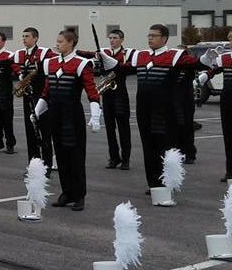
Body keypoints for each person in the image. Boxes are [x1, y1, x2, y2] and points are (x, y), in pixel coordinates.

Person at [99, 24, 216, 194]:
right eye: (149, 35)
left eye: (154, 35)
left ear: (164, 38)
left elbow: (195, 64)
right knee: (149, 148)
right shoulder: (141, 55)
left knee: (165, 148)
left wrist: (206, 58)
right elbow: (123, 69)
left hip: (165, 112)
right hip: (143, 110)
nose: (150, 38)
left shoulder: (175, 56)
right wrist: (108, 61)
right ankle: (154, 183)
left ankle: (168, 182)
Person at [33, 28, 102, 211]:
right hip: (55, 114)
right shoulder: (49, 63)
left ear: (71, 43)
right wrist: (37, 110)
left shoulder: (82, 64)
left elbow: (92, 92)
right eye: (57, 41)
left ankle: (79, 195)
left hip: (73, 115)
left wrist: (95, 116)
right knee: (61, 154)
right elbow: (47, 92)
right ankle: (66, 192)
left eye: (61, 41)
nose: (57, 44)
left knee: (76, 155)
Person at [13, 27, 58, 176]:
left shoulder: (44, 53)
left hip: (42, 96)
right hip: (28, 97)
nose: (24, 39)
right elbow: (13, 65)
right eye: (23, 36)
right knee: (30, 133)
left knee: (45, 133)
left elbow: (54, 63)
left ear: (35, 38)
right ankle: (33, 166)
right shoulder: (20, 54)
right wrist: (20, 75)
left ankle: (46, 166)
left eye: (27, 36)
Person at [197, 31, 232, 181]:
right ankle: (230, 171)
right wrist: (203, 77)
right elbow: (211, 70)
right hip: (228, 99)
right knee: (229, 136)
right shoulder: (224, 58)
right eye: (231, 39)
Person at [99, 30, 134, 170]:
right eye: (110, 38)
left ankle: (126, 159)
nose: (112, 40)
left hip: (120, 93)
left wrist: (115, 66)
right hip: (107, 93)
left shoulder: (126, 54)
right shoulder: (104, 53)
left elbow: (130, 68)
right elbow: (100, 70)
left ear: (122, 39)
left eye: (115, 38)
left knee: (123, 128)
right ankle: (114, 157)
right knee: (109, 128)